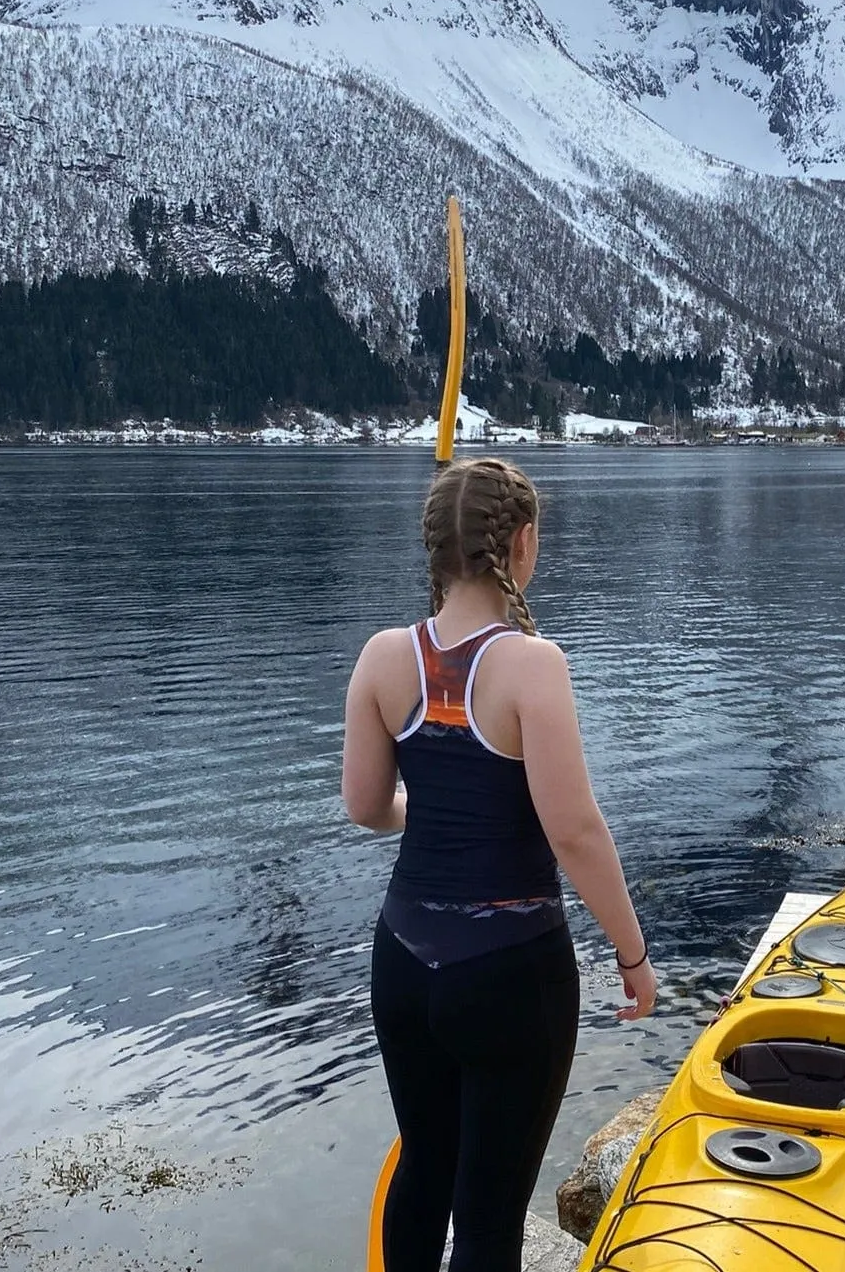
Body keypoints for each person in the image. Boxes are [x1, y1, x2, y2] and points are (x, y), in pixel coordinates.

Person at [341, 456, 657, 1272]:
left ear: (434, 552)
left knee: (422, 1167)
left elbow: (367, 806)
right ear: (520, 544)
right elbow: (574, 831)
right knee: (486, 1217)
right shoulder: (530, 664)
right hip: (512, 970)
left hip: (404, 960)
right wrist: (632, 955)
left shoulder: (382, 657)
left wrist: (437, 812)